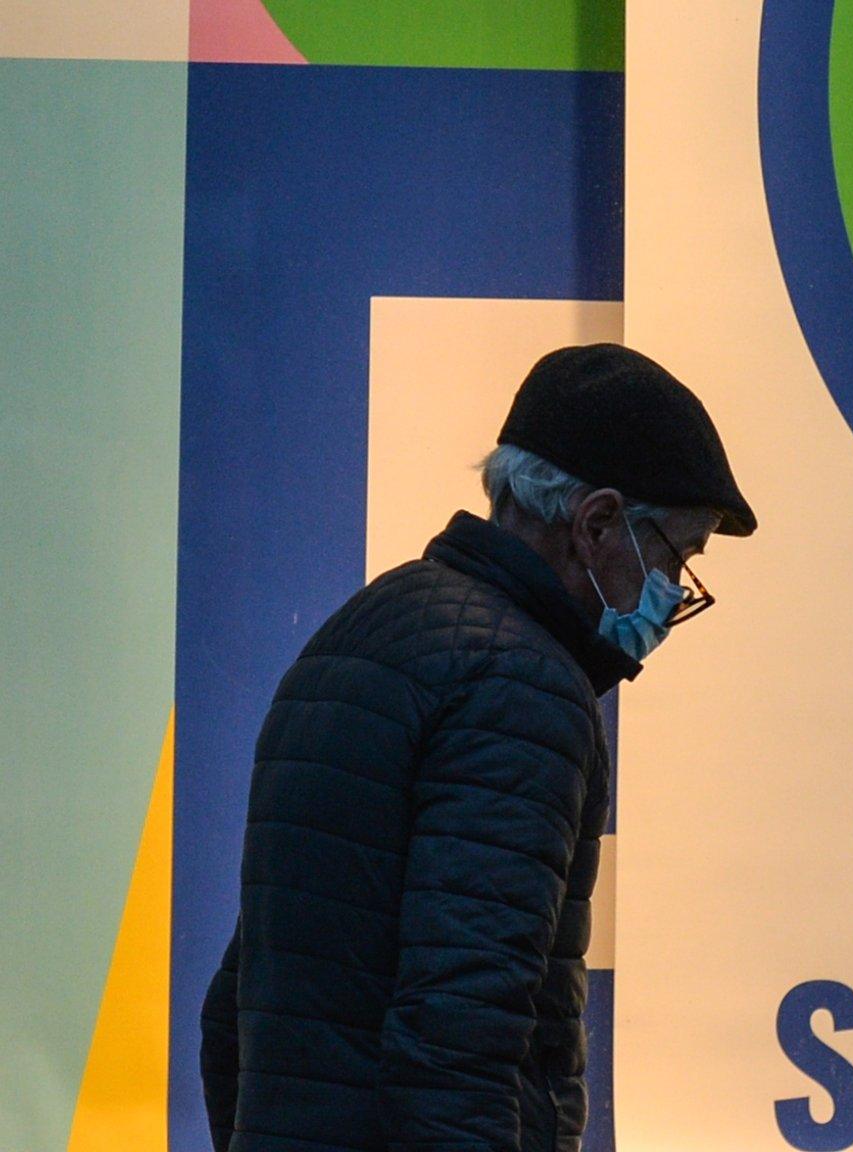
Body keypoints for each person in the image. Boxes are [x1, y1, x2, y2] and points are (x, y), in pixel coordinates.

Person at [197, 344, 754, 1152]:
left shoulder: (362, 631)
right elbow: (459, 1045)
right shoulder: (522, 688)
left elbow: (236, 1008)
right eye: (677, 556)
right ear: (597, 523)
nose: (674, 597)